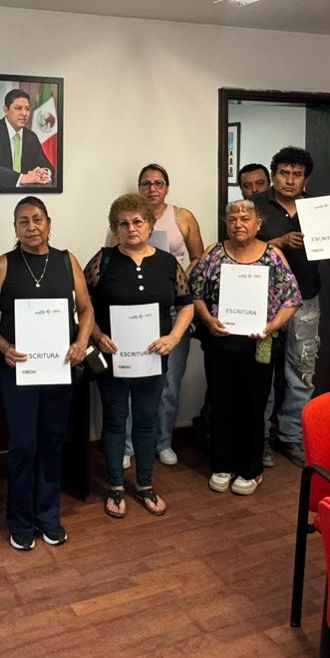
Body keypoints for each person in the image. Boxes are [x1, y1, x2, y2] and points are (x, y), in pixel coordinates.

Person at [0, 197, 95, 550]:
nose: (31, 227)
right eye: (23, 221)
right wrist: (4, 347)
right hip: (19, 370)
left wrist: (81, 342)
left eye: (37, 219)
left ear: (49, 224)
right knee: (24, 445)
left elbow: (86, 309)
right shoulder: (2, 265)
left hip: (58, 369)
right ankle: (20, 520)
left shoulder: (67, 261)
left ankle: (48, 516)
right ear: (15, 228)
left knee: (53, 442)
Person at [86, 193, 194, 519]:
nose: (131, 228)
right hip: (114, 360)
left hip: (152, 360)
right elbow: (83, 306)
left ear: (149, 225)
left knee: (147, 423)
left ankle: (145, 484)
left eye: (137, 222)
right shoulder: (103, 261)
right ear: (115, 228)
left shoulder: (167, 262)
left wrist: (174, 337)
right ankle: (116, 486)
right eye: (123, 223)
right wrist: (97, 336)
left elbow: (186, 304)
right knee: (115, 421)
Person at [190, 199, 300, 495]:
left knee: (254, 406)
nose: (238, 224)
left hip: (259, 344)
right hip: (220, 343)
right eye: (233, 219)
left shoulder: (273, 256)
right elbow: (196, 292)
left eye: (245, 218)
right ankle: (222, 465)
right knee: (221, 403)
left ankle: (251, 469)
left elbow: (292, 298)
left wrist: (273, 326)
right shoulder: (214, 254)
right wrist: (207, 319)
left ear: (258, 224)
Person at [252, 146, 330, 464]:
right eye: (284, 173)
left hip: (306, 299)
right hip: (263, 301)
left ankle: (291, 436)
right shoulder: (255, 206)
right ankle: (259, 437)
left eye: (297, 174)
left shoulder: (320, 209)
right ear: (274, 176)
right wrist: (277, 243)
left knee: (302, 369)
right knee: (262, 369)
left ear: (306, 179)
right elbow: (238, 248)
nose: (290, 179)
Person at [106, 164, 203, 467]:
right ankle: (127, 447)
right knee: (130, 377)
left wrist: (176, 276)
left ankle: (163, 442)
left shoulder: (182, 217)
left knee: (168, 383)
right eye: (146, 183)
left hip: (170, 308)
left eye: (158, 183)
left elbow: (198, 257)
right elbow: (111, 265)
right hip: (129, 315)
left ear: (167, 187)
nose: (152, 188)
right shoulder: (122, 220)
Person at [0, 88, 55, 190]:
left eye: (27, 109)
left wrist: (44, 172)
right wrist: (23, 178)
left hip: (22, 193)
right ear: (6, 110)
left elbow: (46, 165)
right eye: (18, 108)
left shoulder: (30, 136)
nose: (24, 113)